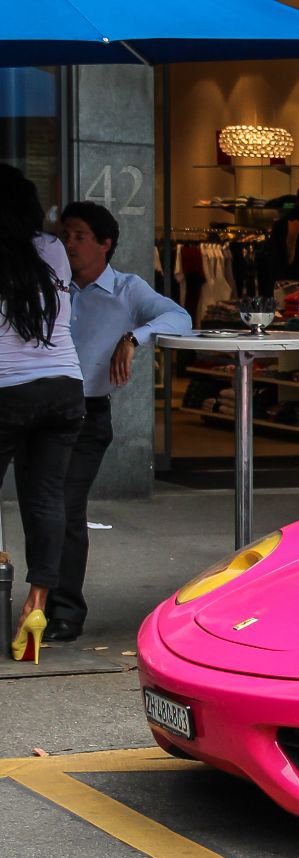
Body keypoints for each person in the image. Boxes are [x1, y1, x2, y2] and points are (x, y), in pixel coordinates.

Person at [46, 201, 189, 644]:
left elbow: (179, 318)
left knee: (67, 508)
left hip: (87, 414)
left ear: (105, 244)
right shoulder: (51, 284)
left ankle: (65, 610)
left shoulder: (127, 289)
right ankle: (36, 602)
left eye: (79, 236)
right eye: (65, 234)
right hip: (40, 407)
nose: (69, 243)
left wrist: (132, 337)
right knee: (42, 509)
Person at [0, 164, 84, 663]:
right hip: (63, 388)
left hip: (7, 390)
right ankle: (37, 606)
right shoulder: (52, 250)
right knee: (47, 500)